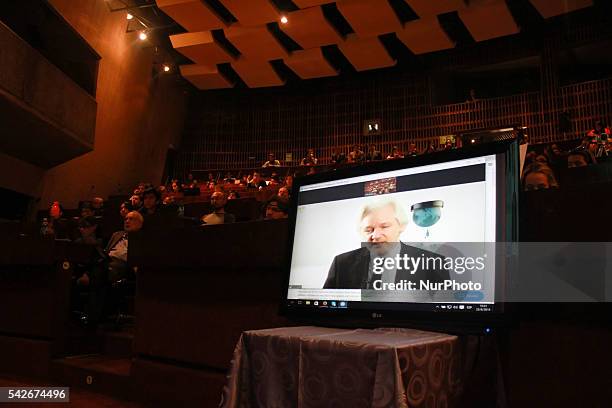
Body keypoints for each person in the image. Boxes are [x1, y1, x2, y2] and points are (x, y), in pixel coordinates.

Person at [323, 198, 448, 289]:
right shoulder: (342, 263)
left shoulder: (433, 263)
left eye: (384, 226)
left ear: (402, 226)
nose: (376, 236)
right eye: (369, 230)